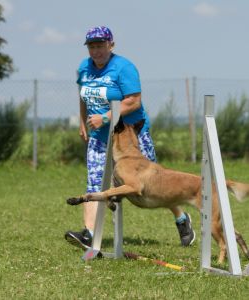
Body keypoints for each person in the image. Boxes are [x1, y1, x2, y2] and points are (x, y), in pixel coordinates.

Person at [65, 26, 195, 250]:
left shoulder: (124, 68)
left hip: (131, 137)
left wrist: (105, 118)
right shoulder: (83, 68)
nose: (96, 51)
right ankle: (89, 234)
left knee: (154, 186)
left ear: (111, 45)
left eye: (100, 46)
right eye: (92, 46)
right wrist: (82, 121)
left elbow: (133, 101)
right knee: (95, 182)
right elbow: (83, 95)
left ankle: (182, 218)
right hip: (99, 137)